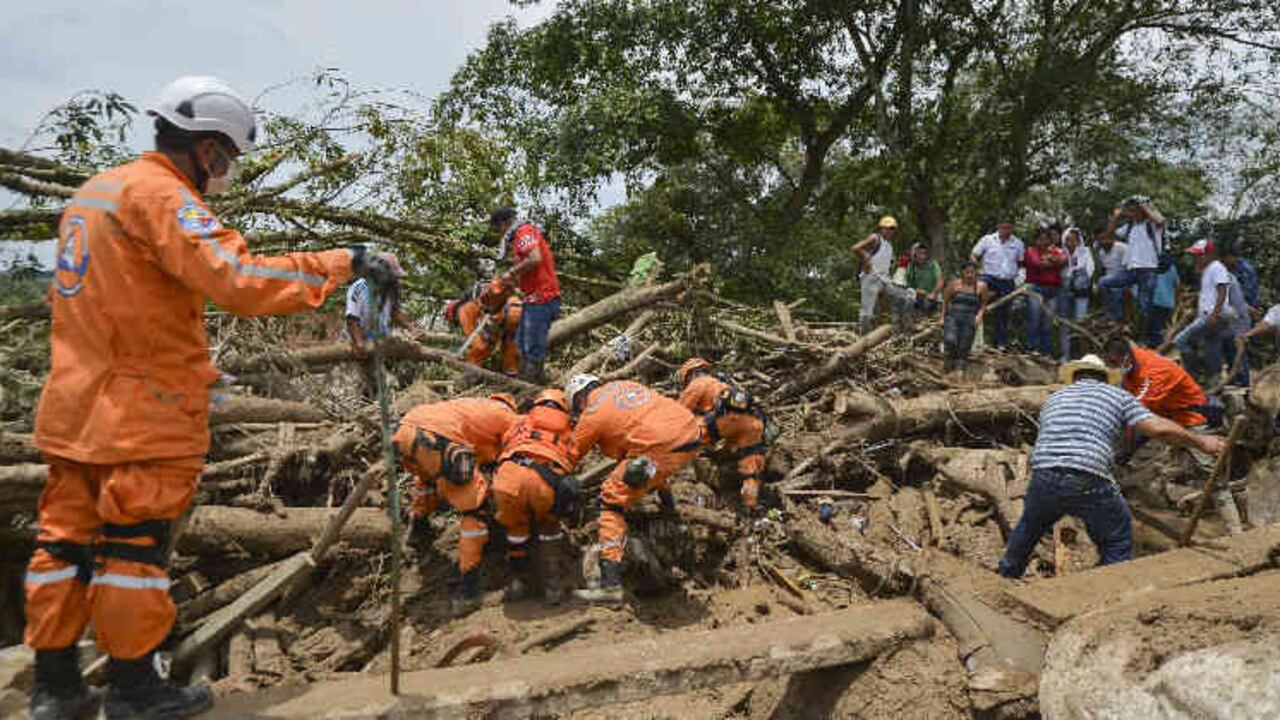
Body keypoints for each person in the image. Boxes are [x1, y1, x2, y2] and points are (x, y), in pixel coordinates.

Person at [23, 76, 399, 720]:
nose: (225, 174)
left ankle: (54, 688)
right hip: (141, 415)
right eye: (226, 160)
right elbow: (241, 279)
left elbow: (123, 305)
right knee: (133, 551)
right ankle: (136, 690)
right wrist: (346, 261)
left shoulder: (94, 194)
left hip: (73, 407)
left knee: (63, 545)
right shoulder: (162, 197)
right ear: (207, 149)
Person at [998, 355, 1225, 578]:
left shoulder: (1055, 398)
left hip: (1044, 472)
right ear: (1105, 378)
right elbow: (1158, 429)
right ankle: (1108, 587)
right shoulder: (1117, 396)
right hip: (1088, 474)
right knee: (1118, 536)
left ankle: (1007, 574)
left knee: (1031, 525)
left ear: (1075, 377)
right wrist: (1202, 442)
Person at [566, 375, 703, 604]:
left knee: (611, 501)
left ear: (579, 400)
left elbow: (570, 457)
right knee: (651, 469)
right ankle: (670, 510)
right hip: (690, 434)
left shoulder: (591, 413)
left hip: (657, 446)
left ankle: (611, 585)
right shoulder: (626, 385)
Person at [1101, 338, 1246, 532]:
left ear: (1126, 358)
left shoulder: (1152, 373)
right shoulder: (1133, 364)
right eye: (1108, 363)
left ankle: (1236, 532)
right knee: (1131, 455)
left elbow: (1133, 416)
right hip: (1167, 414)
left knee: (1214, 480)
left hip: (1194, 420)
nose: (1111, 368)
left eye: (1113, 364)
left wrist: (1125, 445)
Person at [392, 394, 519, 613]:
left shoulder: (471, 405)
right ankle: (469, 590)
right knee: (474, 510)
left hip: (405, 431)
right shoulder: (508, 416)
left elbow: (479, 450)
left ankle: (418, 528)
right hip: (439, 438)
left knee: (428, 480)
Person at [492, 389, 577, 605]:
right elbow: (572, 460)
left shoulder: (520, 421)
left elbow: (503, 442)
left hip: (508, 478)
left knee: (515, 531)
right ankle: (552, 586)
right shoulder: (567, 429)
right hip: (543, 482)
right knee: (550, 527)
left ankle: (517, 582)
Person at [676, 358, 773, 510]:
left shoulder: (698, 383)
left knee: (690, 436)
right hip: (754, 424)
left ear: (689, 375)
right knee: (751, 470)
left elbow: (677, 413)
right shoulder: (725, 385)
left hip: (727, 421)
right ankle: (751, 506)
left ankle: (691, 478)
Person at [492, 207, 561, 383]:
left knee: (532, 347)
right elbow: (529, 269)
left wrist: (511, 273)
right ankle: (531, 383)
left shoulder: (523, 232)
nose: (499, 232)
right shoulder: (520, 236)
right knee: (522, 343)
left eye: (498, 228)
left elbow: (535, 258)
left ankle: (528, 389)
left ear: (504, 223)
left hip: (542, 298)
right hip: (533, 299)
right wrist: (511, 283)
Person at [1099, 196, 1167, 346]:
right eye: (1130, 210)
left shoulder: (1152, 224)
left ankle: (1151, 339)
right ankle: (1116, 318)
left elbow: (1160, 221)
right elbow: (1109, 234)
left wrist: (1145, 206)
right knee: (1104, 283)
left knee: (1145, 307)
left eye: (1134, 209)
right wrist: (1116, 217)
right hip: (1131, 270)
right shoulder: (1130, 227)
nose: (1131, 212)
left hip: (1148, 269)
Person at [1175, 240, 1241, 384]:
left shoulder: (1216, 267)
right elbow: (1210, 293)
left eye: (1199, 255)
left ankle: (1196, 371)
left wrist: (1215, 314)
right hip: (1213, 314)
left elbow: (1222, 290)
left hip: (1211, 314)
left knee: (1180, 341)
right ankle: (1213, 377)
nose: (1196, 258)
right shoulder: (1209, 269)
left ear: (1209, 254)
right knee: (1212, 346)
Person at [443, 275, 523, 375]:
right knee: (509, 343)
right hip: (519, 310)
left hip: (506, 313)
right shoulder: (475, 300)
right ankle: (512, 375)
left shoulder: (463, 311)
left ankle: (470, 378)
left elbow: (477, 343)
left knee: (477, 353)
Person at [970, 219, 1024, 347]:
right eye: (1003, 227)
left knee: (1003, 314)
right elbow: (973, 254)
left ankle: (1000, 344)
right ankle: (973, 339)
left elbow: (1021, 263)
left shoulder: (1018, 243)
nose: (1006, 230)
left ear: (1012, 228)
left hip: (1007, 281)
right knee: (976, 299)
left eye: (1008, 227)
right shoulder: (988, 239)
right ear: (998, 227)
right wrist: (977, 269)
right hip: (988, 277)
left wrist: (1019, 279)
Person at [344, 256, 414, 357]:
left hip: (380, 338)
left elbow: (395, 311)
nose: (394, 281)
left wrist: (411, 328)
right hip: (356, 337)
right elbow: (352, 318)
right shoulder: (359, 288)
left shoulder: (392, 289)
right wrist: (359, 343)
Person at [851, 216, 907, 334]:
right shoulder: (875, 238)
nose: (890, 231)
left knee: (904, 295)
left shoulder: (889, 245)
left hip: (884, 279)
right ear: (881, 228)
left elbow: (885, 266)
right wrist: (865, 258)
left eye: (892, 229)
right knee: (867, 312)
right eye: (887, 228)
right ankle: (863, 338)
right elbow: (855, 248)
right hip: (871, 277)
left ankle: (895, 327)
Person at [939, 261, 988, 373]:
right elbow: (945, 301)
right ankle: (949, 359)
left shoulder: (981, 286)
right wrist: (942, 317)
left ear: (976, 273)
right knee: (950, 339)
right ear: (962, 273)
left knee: (965, 344)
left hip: (970, 317)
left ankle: (960, 367)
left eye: (972, 272)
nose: (970, 275)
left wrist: (979, 315)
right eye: (967, 272)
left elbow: (984, 304)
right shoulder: (954, 284)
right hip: (953, 316)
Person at [1024, 228, 1067, 356]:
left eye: (1046, 239)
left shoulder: (1056, 250)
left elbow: (1064, 260)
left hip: (1053, 290)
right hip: (1035, 288)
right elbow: (1039, 264)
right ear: (1035, 240)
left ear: (1050, 239)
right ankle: (1032, 349)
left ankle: (1046, 352)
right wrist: (1054, 260)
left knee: (1047, 323)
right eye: (1040, 239)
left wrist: (1050, 259)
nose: (1043, 242)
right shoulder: (1030, 251)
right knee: (1034, 319)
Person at [1217, 243, 1254, 387]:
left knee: (1238, 349)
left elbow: (1240, 296)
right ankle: (1235, 378)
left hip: (1239, 318)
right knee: (1229, 347)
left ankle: (1243, 380)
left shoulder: (1241, 271)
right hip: (1234, 317)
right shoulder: (1230, 273)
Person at [1058, 228, 1094, 361]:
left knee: (1081, 322)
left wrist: (1077, 274)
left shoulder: (1086, 251)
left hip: (1081, 291)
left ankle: (1082, 356)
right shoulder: (1060, 253)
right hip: (1064, 288)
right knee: (1065, 322)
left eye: (1074, 239)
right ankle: (1065, 354)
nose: (1071, 242)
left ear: (1079, 240)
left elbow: (1090, 269)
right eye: (1068, 239)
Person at [893, 243, 944, 328]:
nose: (922, 256)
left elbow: (940, 280)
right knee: (901, 298)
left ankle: (924, 319)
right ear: (914, 255)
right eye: (919, 253)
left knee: (929, 303)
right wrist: (918, 291)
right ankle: (902, 323)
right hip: (918, 297)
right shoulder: (911, 267)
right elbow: (907, 286)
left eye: (924, 253)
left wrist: (934, 293)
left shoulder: (933, 264)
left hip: (933, 298)